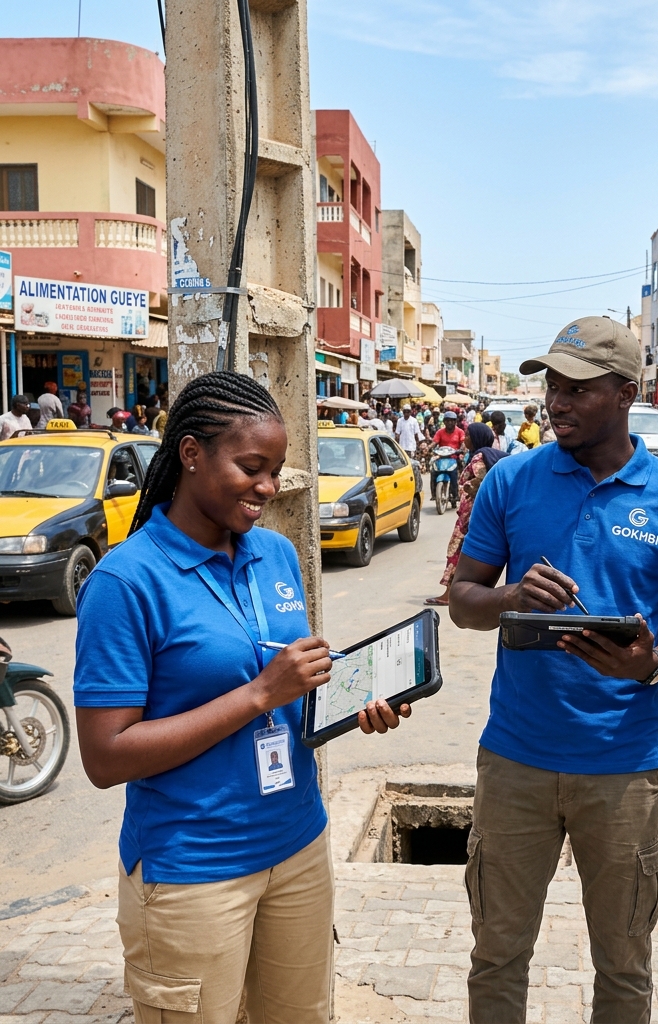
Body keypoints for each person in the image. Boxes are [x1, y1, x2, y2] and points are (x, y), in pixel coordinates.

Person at [73, 371, 409, 1024]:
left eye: (277, 469)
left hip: (298, 848)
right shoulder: (126, 582)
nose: (268, 486)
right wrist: (259, 693)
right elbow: (105, 757)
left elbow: (294, 678)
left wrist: (356, 691)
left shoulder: (276, 555)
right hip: (194, 871)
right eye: (251, 467)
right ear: (192, 453)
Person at [448, 316, 658, 1024]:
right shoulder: (511, 480)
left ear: (627, 393)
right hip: (515, 762)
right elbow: (462, 603)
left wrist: (649, 663)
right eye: (551, 386)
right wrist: (509, 596)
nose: (554, 402)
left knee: (624, 965)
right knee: (497, 953)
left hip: (624, 768)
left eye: (576, 389)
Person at [426, 423, 508, 607]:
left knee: (457, 552)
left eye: (469, 435)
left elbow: (481, 482)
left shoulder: (479, 457)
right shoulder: (484, 455)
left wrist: (470, 488)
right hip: (473, 514)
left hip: (470, 516)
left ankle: (451, 594)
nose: (465, 438)